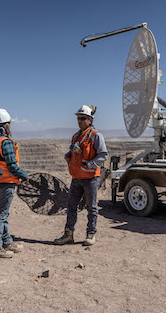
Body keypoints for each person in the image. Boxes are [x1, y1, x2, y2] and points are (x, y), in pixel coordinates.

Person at [54, 105, 108, 246]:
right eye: (78, 118)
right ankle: (68, 234)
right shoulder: (76, 136)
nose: (79, 121)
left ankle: (91, 233)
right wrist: (68, 156)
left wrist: (90, 164)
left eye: (83, 118)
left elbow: (103, 155)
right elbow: (73, 153)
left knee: (92, 207)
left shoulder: (96, 136)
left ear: (90, 120)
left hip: (90, 179)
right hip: (76, 178)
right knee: (71, 206)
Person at [0, 108, 29, 258]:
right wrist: (24, 176)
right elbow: (12, 165)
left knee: (3, 213)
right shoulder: (6, 142)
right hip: (6, 183)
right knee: (1, 215)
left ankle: (6, 242)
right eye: (9, 124)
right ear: (6, 125)